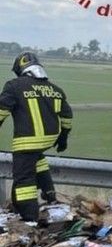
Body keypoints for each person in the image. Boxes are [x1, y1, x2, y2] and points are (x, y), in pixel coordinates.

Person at [0, 53, 73, 222]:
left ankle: (30, 218)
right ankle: (50, 194)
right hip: (48, 139)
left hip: (27, 141)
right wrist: (63, 137)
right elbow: (67, 116)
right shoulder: (55, 89)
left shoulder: (14, 86)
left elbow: (1, 111)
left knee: (23, 180)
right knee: (37, 159)